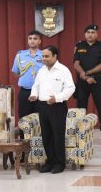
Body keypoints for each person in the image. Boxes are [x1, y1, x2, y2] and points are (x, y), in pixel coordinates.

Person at [28, 46, 75, 174]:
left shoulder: (63, 70)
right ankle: (50, 162)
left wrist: (57, 98)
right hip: (42, 106)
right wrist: (34, 94)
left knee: (57, 135)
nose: (44, 58)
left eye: (47, 56)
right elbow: (36, 85)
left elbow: (70, 88)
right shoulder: (42, 70)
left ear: (55, 56)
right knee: (46, 135)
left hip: (57, 106)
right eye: (42, 56)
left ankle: (60, 163)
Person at [73, 24, 101, 145]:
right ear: (85, 34)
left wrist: (88, 73)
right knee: (81, 109)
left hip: (97, 81)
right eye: (88, 32)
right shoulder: (79, 46)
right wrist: (85, 77)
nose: (90, 34)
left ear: (97, 34)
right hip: (82, 82)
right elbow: (76, 64)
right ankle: (81, 136)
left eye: (93, 32)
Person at [12, 30, 44, 162]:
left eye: (35, 38)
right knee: (23, 123)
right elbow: (16, 72)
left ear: (39, 41)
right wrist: (25, 79)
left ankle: (39, 153)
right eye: (30, 38)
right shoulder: (20, 56)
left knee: (40, 122)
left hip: (40, 93)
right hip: (25, 92)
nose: (32, 40)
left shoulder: (44, 55)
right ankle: (23, 153)